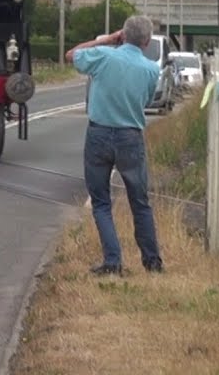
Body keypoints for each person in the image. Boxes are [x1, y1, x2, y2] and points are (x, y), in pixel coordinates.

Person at [64, 15, 164, 276]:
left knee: (101, 201)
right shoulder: (152, 69)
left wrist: (107, 39)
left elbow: (71, 55)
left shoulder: (104, 56)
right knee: (139, 201)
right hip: (130, 135)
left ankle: (112, 261)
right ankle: (152, 261)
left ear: (123, 35)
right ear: (146, 41)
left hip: (99, 133)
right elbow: (147, 97)